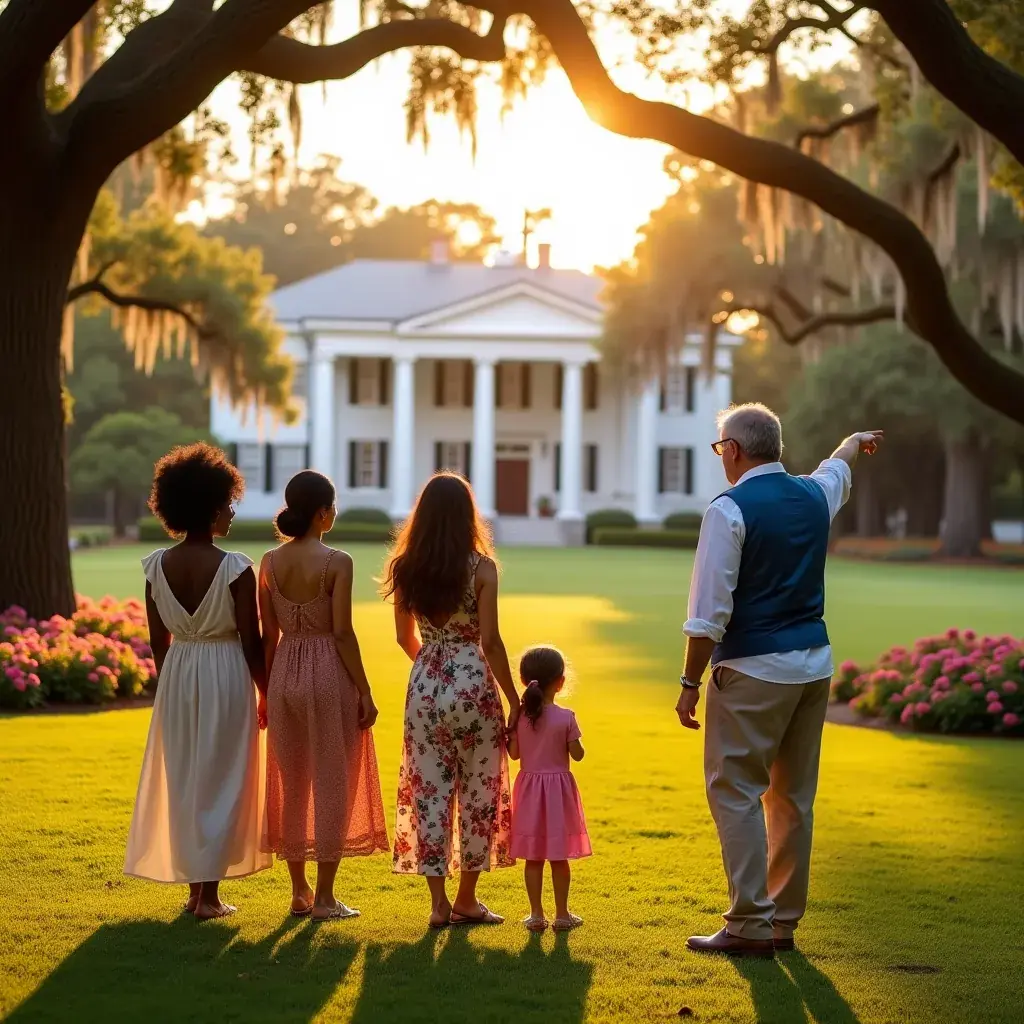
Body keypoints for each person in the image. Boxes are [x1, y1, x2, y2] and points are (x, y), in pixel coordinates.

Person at [677, 404, 882, 958]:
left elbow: (708, 614)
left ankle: (749, 922)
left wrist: (690, 682)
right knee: (791, 797)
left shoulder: (729, 508)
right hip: (814, 666)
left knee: (736, 790)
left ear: (734, 450)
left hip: (753, 668)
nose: (720, 457)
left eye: (720, 448)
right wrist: (853, 439)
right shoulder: (813, 495)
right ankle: (781, 922)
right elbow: (837, 468)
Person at [124, 443, 271, 919]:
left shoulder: (156, 567)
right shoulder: (235, 568)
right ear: (210, 508)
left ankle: (196, 893)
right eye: (227, 504)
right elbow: (251, 641)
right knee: (223, 778)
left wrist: (172, 685)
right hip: (225, 671)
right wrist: (265, 690)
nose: (232, 512)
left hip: (178, 673)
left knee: (186, 780)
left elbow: (157, 641)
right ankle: (208, 896)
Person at [381, 472, 519, 929]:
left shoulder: (406, 568)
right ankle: (467, 899)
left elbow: (403, 638)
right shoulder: (482, 569)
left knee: (430, 793)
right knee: (479, 792)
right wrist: (514, 700)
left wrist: (433, 667)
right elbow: (492, 642)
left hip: (424, 684)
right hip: (473, 681)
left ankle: (438, 904)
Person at [259, 470, 389, 922]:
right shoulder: (338, 561)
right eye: (333, 507)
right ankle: (325, 898)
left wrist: (265, 692)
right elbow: (342, 633)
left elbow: (268, 636)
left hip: (284, 674)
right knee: (333, 779)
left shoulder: (268, 563)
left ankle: (300, 891)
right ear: (322, 512)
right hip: (329, 674)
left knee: (293, 782)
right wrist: (365, 690)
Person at [507, 645, 590, 933]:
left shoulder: (521, 717)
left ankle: (536, 915)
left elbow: (514, 755)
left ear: (524, 680)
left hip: (529, 792)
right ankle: (563, 915)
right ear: (560, 682)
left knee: (533, 857)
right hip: (558, 794)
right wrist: (576, 741)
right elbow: (577, 755)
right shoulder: (566, 717)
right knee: (558, 856)